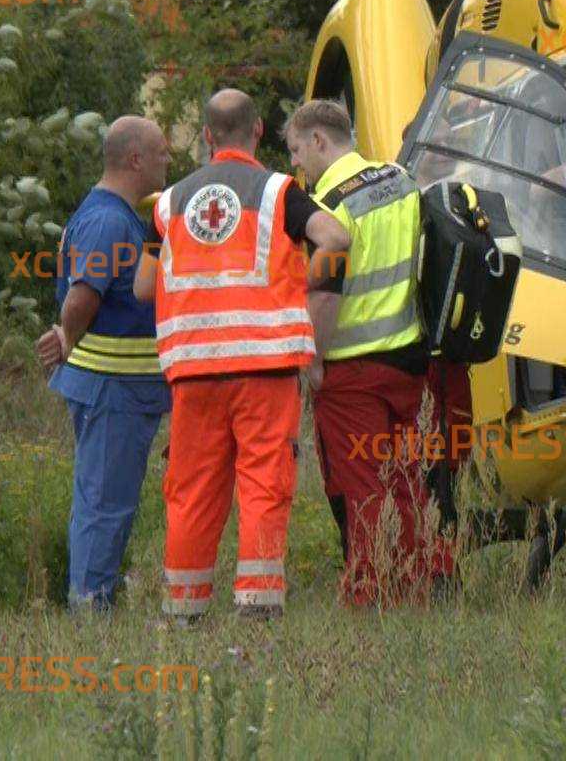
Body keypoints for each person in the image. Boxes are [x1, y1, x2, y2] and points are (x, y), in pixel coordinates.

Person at [133, 89, 350, 623]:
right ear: (256, 132)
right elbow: (336, 237)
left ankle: (183, 610)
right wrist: (302, 292)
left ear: (207, 137)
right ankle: (257, 607)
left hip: (193, 371)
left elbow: (141, 287)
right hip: (264, 364)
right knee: (263, 482)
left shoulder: (169, 203)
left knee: (191, 490)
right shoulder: (280, 192)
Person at [284, 99, 441, 606]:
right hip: (409, 358)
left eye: (295, 151)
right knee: (405, 479)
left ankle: (370, 590)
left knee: (361, 484)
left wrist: (312, 362)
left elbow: (325, 294)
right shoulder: (400, 178)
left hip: (353, 368)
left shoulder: (328, 203)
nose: (295, 165)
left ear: (318, 141)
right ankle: (420, 578)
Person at [33, 116, 173, 611]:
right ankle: (90, 608)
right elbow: (82, 297)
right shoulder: (111, 221)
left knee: (104, 501)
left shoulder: (114, 215)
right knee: (104, 505)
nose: (168, 160)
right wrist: (67, 339)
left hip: (119, 391)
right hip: (112, 391)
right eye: (160, 151)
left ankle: (93, 599)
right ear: (135, 159)